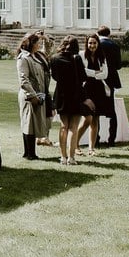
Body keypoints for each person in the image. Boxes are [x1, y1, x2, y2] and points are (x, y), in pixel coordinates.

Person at [50, 35, 88, 165]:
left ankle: (63, 156)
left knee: (63, 126)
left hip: (61, 94)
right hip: (75, 94)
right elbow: (83, 77)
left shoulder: (54, 58)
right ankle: (71, 157)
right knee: (73, 127)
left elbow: (54, 76)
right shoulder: (76, 58)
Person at [16, 31, 51, 160]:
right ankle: (29, 153)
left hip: (39, 94)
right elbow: (23, 79)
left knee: (33, 123)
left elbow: (48, 50)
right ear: (32, 44)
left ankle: (31, 152)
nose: (39, 45)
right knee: (28, 123)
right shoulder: (24, 58)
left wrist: (44, 37)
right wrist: (32, 95)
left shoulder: (37, 56)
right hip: (29, 96)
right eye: (37, 43)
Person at [76, 33, 109, 155]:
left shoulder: (102, 57)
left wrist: (93, 74)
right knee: (87, 119)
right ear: (86, 43)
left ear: (98, 44)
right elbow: (83, 72)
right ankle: (75, 144)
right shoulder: (81, 55)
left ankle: (91, 148)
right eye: (90, 43)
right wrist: (96, 73)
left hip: (99, 90)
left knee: (95, 120)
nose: (92, 45)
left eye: (94, 43)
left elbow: (105, 74)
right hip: (86, 90)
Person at [97, 26, 123, 146]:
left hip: (98, 78)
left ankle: (96, 137)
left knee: (96, 110)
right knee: (111, 109)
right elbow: (118, 65)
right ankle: (111, 138)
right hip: (111, 78)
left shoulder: (96, 44)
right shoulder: (114, 45)